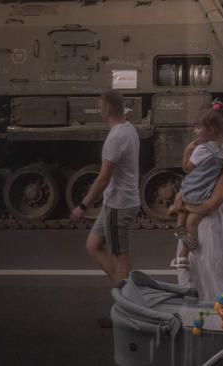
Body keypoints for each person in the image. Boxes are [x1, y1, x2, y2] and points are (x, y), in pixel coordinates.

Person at [70, 90, 140, 327]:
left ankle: (127, 311)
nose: (99, 109)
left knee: (121, 258)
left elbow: (102, 179)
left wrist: (82, 205)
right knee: (93, 245)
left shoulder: (116, 137)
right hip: (116, 202)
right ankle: (129, 293)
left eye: (100, 106)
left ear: (108, 108)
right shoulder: (127, 128)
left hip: (118, 205)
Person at [173, 102, 223, 303]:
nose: (195, 131)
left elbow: (212, 204)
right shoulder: (208, 153)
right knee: (196, 285)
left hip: (213, 229)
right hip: (197, 227)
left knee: (215, 284)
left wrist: (182, 205)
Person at [167, 101, 223, 270]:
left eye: (197, 127)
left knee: (181, 222)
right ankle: (185, 255)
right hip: (204, 194)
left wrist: (188, 151)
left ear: (209, 131)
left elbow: (186, 168)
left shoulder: (201, 150)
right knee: (192, 223)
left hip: (192, 191)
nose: (195, 131)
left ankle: (186, 250)